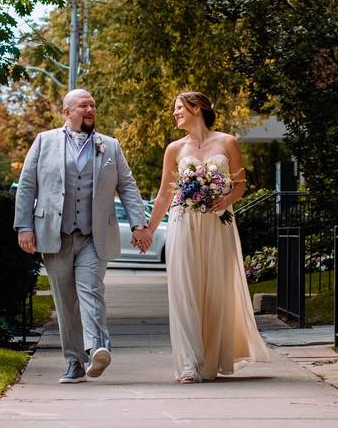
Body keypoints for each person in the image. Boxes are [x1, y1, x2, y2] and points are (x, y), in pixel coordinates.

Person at [14, 88, 151, 384]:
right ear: (67, 112)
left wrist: (139, 224)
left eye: (93, 105)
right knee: (65, 300)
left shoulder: (110, 146)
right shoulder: (44, 141)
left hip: (94, 234)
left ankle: (98, 348)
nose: (90, 110)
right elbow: (27, 186)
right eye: (83, 106)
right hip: (55, 233)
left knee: (90, 290)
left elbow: (126, 184)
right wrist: (24, 226)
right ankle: (74, 362)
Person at [145, 91, 270, 383]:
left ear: (197, 108)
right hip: (182, 222)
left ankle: (210, 361)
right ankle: (190, 365)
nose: (175, 113)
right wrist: (150, 229)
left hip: (218, 224)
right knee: (185, 291)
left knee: (216, 290)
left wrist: (225, 200)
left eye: (179, 108)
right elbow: (165, 193)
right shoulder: (174, 149)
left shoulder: (227, 142)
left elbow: (240, 185)